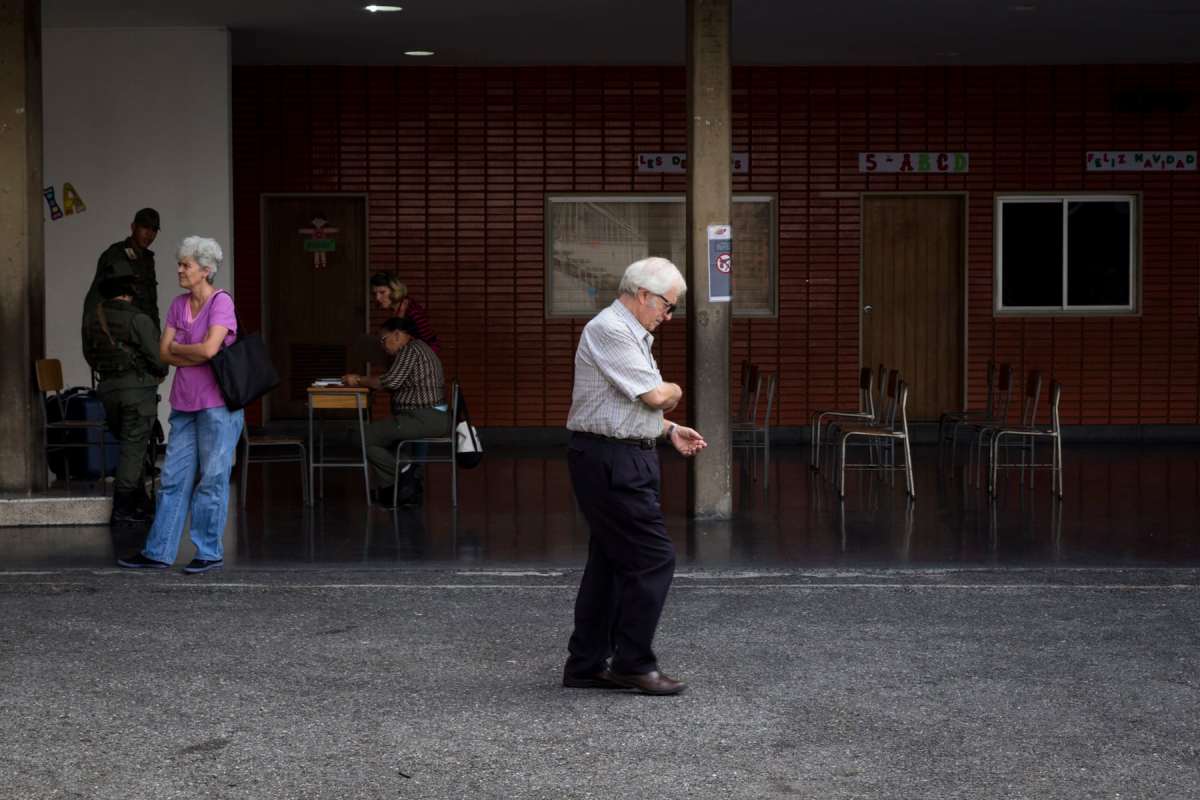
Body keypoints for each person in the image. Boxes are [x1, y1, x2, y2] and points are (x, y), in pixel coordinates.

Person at [562, 256, 706, 697]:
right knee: (652, 558)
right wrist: (676, 394)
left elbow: (617, 406)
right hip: (610, 460)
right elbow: (653, 395)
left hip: (617, 454)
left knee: (610, 560)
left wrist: (666, 430)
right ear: (643, 294)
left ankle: (586, 664)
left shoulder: (629, 332)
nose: (668, 315)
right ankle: (632, 662)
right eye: (667, 305)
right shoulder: (611, 329)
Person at [117, 236, 242, 574]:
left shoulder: (221, 303)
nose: (180, 270)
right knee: (172, 479)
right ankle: (159, 551)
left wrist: (185, 351)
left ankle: (208, 550)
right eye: (181, 263)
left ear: (205, 269)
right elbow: (162, 353)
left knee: (212, 479)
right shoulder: (177, 304)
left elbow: (209, 351)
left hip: (218, 404)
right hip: (184, 403)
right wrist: (195, 350)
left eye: (186, 265)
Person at [82, 258, 169, 524]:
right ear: (129, 290)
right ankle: (123, 508)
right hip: (137, 393)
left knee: (130, 445)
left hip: (107, 391)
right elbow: (160, 360)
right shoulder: (138, 319)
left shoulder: (93, 318)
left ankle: (139, 500)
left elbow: (89, 354)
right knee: (133, 448)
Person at [341, 316, 447, 507]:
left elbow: (389, 381)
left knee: (357, 435)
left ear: (397, 335)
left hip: (423, 417)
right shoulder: (418, 349)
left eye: (383, 340)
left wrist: (358, 380)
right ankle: (399, 489)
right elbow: (393, 381)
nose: (382, 346)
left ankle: (405, 467)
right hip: (423, 417)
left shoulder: (411, 349)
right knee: (371, 444)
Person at [83, 208, 162, 332]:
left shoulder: (147, 259)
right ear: (133, 227)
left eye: (154, 230)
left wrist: (155, 335)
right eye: (145, 227)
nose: (149, 234)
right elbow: (120, 303)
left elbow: (150, 303)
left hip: (139, 331)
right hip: (117, 333)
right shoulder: (117, 254)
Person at [369, 272, 440, 353]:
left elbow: (431, 342)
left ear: (395, 290)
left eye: (382, 292)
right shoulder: (398, 309)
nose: (377, 298)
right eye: (374, 294)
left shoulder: (412, 311)